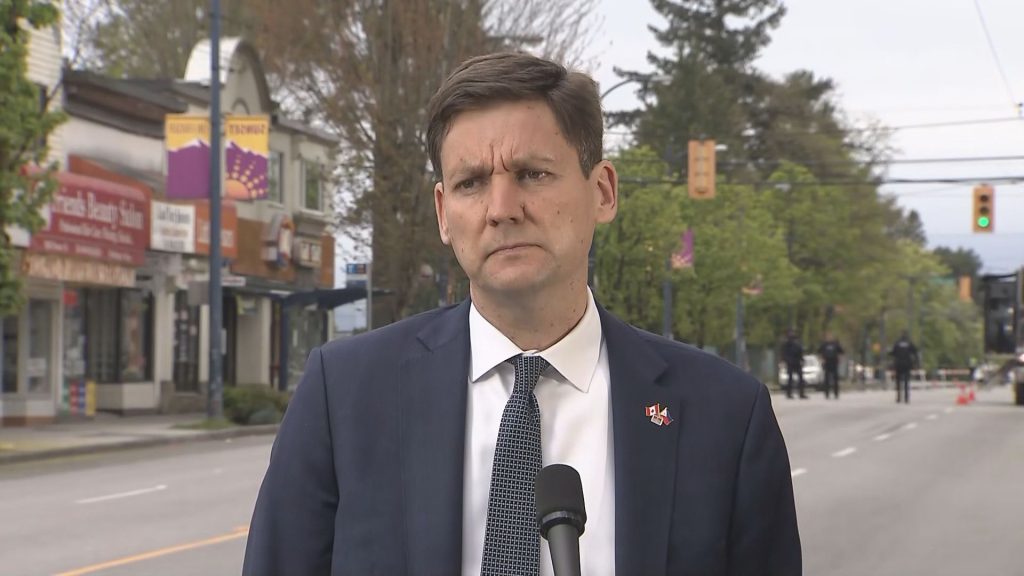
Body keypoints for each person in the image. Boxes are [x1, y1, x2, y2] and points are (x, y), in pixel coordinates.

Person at [243, 52, 801, 576]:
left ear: (603, 192)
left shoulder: (725, 416)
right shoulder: (344, 396)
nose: (502, 209)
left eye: (532, 174)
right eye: (471, 183)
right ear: (443, 214)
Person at [889, 331, 919, 404]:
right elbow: (915, 352)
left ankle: (898, 397)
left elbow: (893, 352)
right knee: (906, 381)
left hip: (898, 364)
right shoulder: (909, 343)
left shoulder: (897, 343)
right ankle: (906, 398)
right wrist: (916, 363)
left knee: (898, 381)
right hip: (907, 364)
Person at [781, 329, 808, 399]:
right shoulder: (787, 344)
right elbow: (784, 353)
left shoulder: (797, 343)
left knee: (800, 378)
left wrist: (802, 359)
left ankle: (801, 393)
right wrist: (786, 360)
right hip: (790, 362)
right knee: (790, 379)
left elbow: (800, 352)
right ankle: (789, 393)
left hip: (797, 362)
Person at [817, 332, 844, 400]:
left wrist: (840, 359)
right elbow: (819, 352)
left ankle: (836, 393)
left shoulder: (835, 344)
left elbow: (841, 352)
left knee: (835, 379)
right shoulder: (824, 344)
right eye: (828, 336)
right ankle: (827, 394)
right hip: (827, 363)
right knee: (826, 379)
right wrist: (821, 359)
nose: (829, 337)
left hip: (834, 362)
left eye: (830, 336)